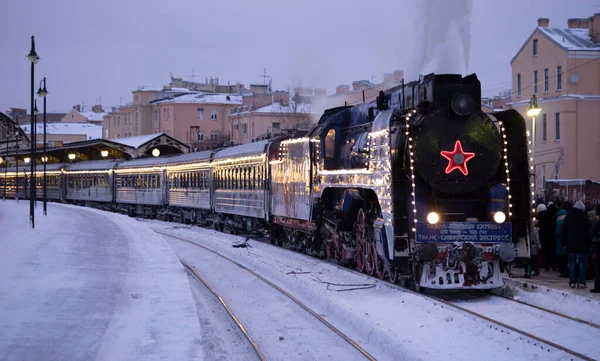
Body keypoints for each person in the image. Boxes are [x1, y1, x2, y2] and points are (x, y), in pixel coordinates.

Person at [562, 201, 592, 288]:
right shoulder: (585, 218)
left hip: (571, 244)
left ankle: (572, 282)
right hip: (582, 244)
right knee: (582, 263)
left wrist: (564, 243)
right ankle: (582, 282)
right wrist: (589, 244)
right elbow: (588, 233)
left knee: (571, 263)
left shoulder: (568, 217)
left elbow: (564, 231)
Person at [555, 202, 570, 277]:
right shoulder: (568, 220)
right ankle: (566, 271)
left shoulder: (559, 221)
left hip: (560, 242)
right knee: (566, 258)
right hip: (567, 241)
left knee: (561, 258)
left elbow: (557, 232)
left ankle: (562, 271)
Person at [536, 203, 554, 271]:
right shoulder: (549, 215)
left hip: (543, 235)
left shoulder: (540, 216)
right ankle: (551, 265)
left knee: (545, 251)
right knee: (550, 251)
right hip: (550, 235)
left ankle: (546, 265)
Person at [591, 205, 600, 293]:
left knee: (598, 268)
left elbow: (593, 234)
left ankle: (597, 287)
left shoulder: (597, 223)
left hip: (598, 248)